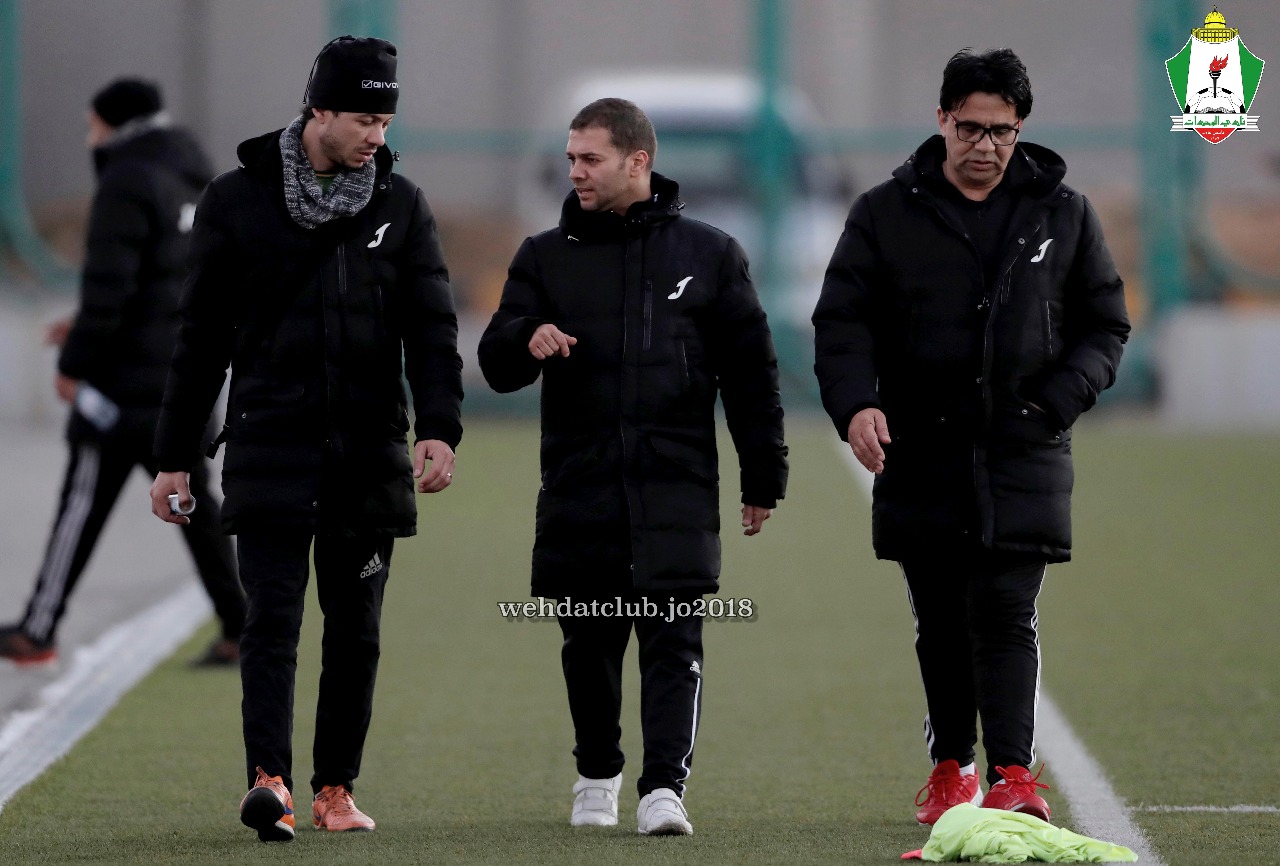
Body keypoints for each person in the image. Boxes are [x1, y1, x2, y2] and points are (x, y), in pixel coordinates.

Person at [148, 36, 463, 842]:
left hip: (367, 454)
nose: (376, 137)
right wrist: (173, 458)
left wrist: (439, 428)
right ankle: (270, 783)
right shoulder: (235, 200)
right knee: (271, 625)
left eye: (385, 122)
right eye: (363, 119)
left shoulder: (401, 204)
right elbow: (200, 340)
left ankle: (334, 790)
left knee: (356, 633)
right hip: (270, 447)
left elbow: (431, 330)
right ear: (318, 109)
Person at [811, 48, 1129, 826]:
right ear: (942, 120)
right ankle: (952, 769)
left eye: (1002, 131)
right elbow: (842, 322)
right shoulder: (885, 212)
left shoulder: (1063, 212)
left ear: (1020, 129)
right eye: (971, 128)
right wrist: (856, 405)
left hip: (1025, 447)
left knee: (1007, 610)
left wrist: (1058, 401)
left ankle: (1014, 775)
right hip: (921, 448)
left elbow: (1104, 325)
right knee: (942, 617)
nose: (986, 145)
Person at [478, 98, 787, 836]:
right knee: (588, 642)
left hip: (676, 483)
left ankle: (663, 790)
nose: (576, 172)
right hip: (579, 483)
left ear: (637, 161)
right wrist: (526, 335)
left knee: (673, 640)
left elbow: (751, 376)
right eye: (571, 158)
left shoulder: (710, 255)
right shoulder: (543, 256)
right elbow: (494, 363)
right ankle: (596, 774)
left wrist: (763, 475)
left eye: (591, 158)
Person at [0, 78, 245, 668]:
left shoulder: (125, 181)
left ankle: (38, 630)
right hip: (188, 374)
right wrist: (82, 325)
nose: (90, 138)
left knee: (82, 501)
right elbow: (168, 282)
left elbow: (111, 287)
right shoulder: (197, 179)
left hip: (125, 384)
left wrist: (73, 363)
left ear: (115, 126)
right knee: (192, 502)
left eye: (93, 125)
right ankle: (244, 628)